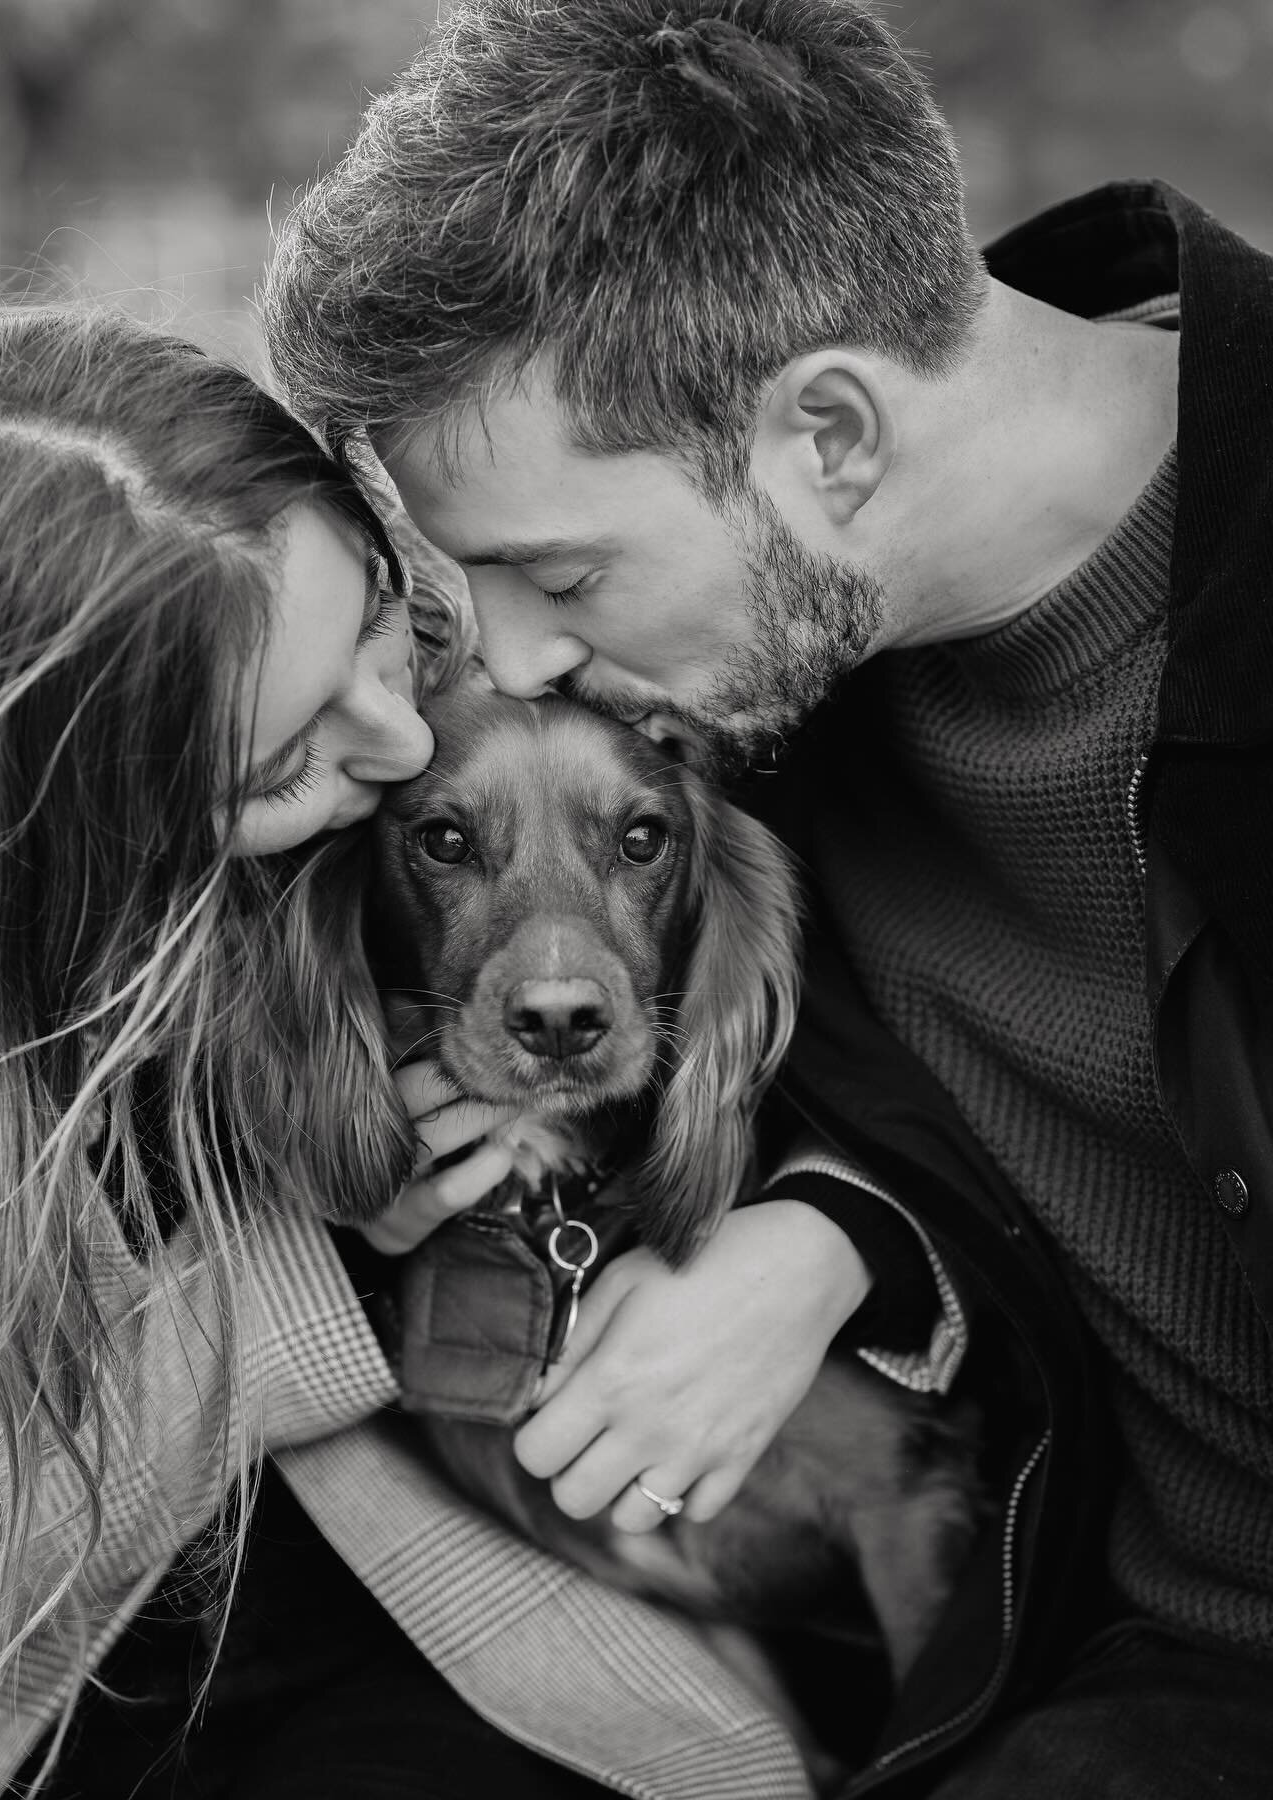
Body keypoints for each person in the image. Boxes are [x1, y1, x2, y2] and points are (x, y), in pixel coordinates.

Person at [263, 0, 1273, 1795]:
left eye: (555, 570)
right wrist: (844, 1229)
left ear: (829, 434)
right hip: (1044, 1613)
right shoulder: (765, 683)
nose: (502, 659)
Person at [0, 303, 674, 1800]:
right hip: (111, 1705)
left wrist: (826, 1232)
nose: (404, 742)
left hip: (507, 1633)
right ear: (74, 825)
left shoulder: (499, 707)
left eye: (380, 624)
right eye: (285, 758)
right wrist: (321, 1265)